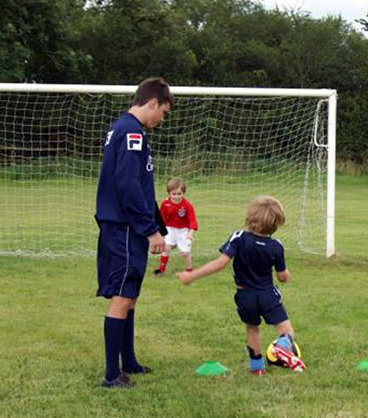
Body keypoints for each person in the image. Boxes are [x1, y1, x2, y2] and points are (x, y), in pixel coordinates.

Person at [94, 77, 174, 388]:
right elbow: (128, 186)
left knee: (131, 296)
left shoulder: (126, 128)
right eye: (163, 112)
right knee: (122, 295)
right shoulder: (130, 132)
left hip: (126, 225)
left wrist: (155, 227)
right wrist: (150, 230)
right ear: (152, 102)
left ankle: (129, 361)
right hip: (125, 227)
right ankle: (113, 376)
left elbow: (138, 184)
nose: (162, 119)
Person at [176, 196, 305, 374]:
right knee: (286, 331)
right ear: (276, 224)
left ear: (250, 219)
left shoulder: (239, 237)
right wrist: (287, 275)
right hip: (268, 294)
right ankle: (282, 345)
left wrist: (192, 276)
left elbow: (220, 263)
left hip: (245, 295)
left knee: (252, 329)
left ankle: (257, 369)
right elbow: (282, 277)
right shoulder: (276, 246)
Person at [154, 177, 198, 276]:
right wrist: (160, 232)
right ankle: (161, 270)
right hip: (170, 228)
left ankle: (189, 271)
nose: (176, 196)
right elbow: (162, 218)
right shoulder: (165, 204)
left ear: (183, 193)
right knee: (166, 248)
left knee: (185, 253)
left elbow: (192, 221)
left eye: (179, 194)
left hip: (183, 231)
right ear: (169, 193)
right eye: (174, 194)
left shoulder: (187, 205)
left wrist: (190, 234)